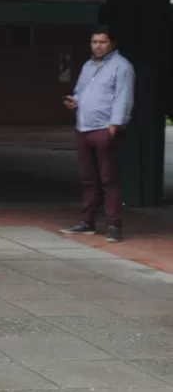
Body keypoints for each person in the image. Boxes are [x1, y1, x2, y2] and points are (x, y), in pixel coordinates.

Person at [60, 25, 135, 243]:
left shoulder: (122, 67)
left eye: (102, 42)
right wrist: (74, 101)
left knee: (108, 179)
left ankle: (114, 225)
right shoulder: (88, 66)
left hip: (105, 129)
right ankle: (87, 222)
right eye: (94, 42)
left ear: (112, 43)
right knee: (88, 179)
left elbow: (124, 97)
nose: (98, 46)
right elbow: (80, 91)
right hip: (84, 127)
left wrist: (115, 124)